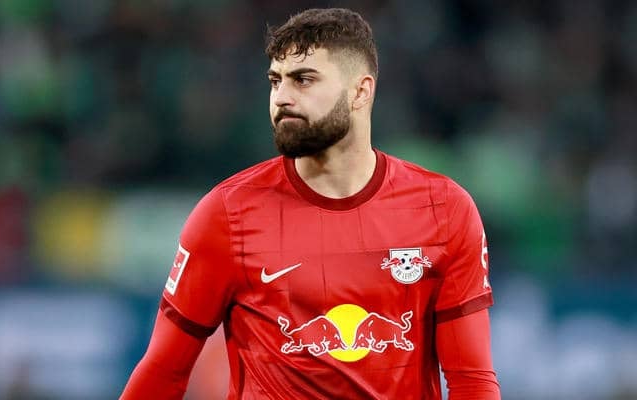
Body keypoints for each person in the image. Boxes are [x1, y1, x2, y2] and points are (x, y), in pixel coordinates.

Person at [121, 7, 500, 399]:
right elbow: (163, 372)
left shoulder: (443, 209)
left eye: (303, 80)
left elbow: (471, 381)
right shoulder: (228, 213)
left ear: (361, 91)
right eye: (276, 81)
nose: (282, 98)